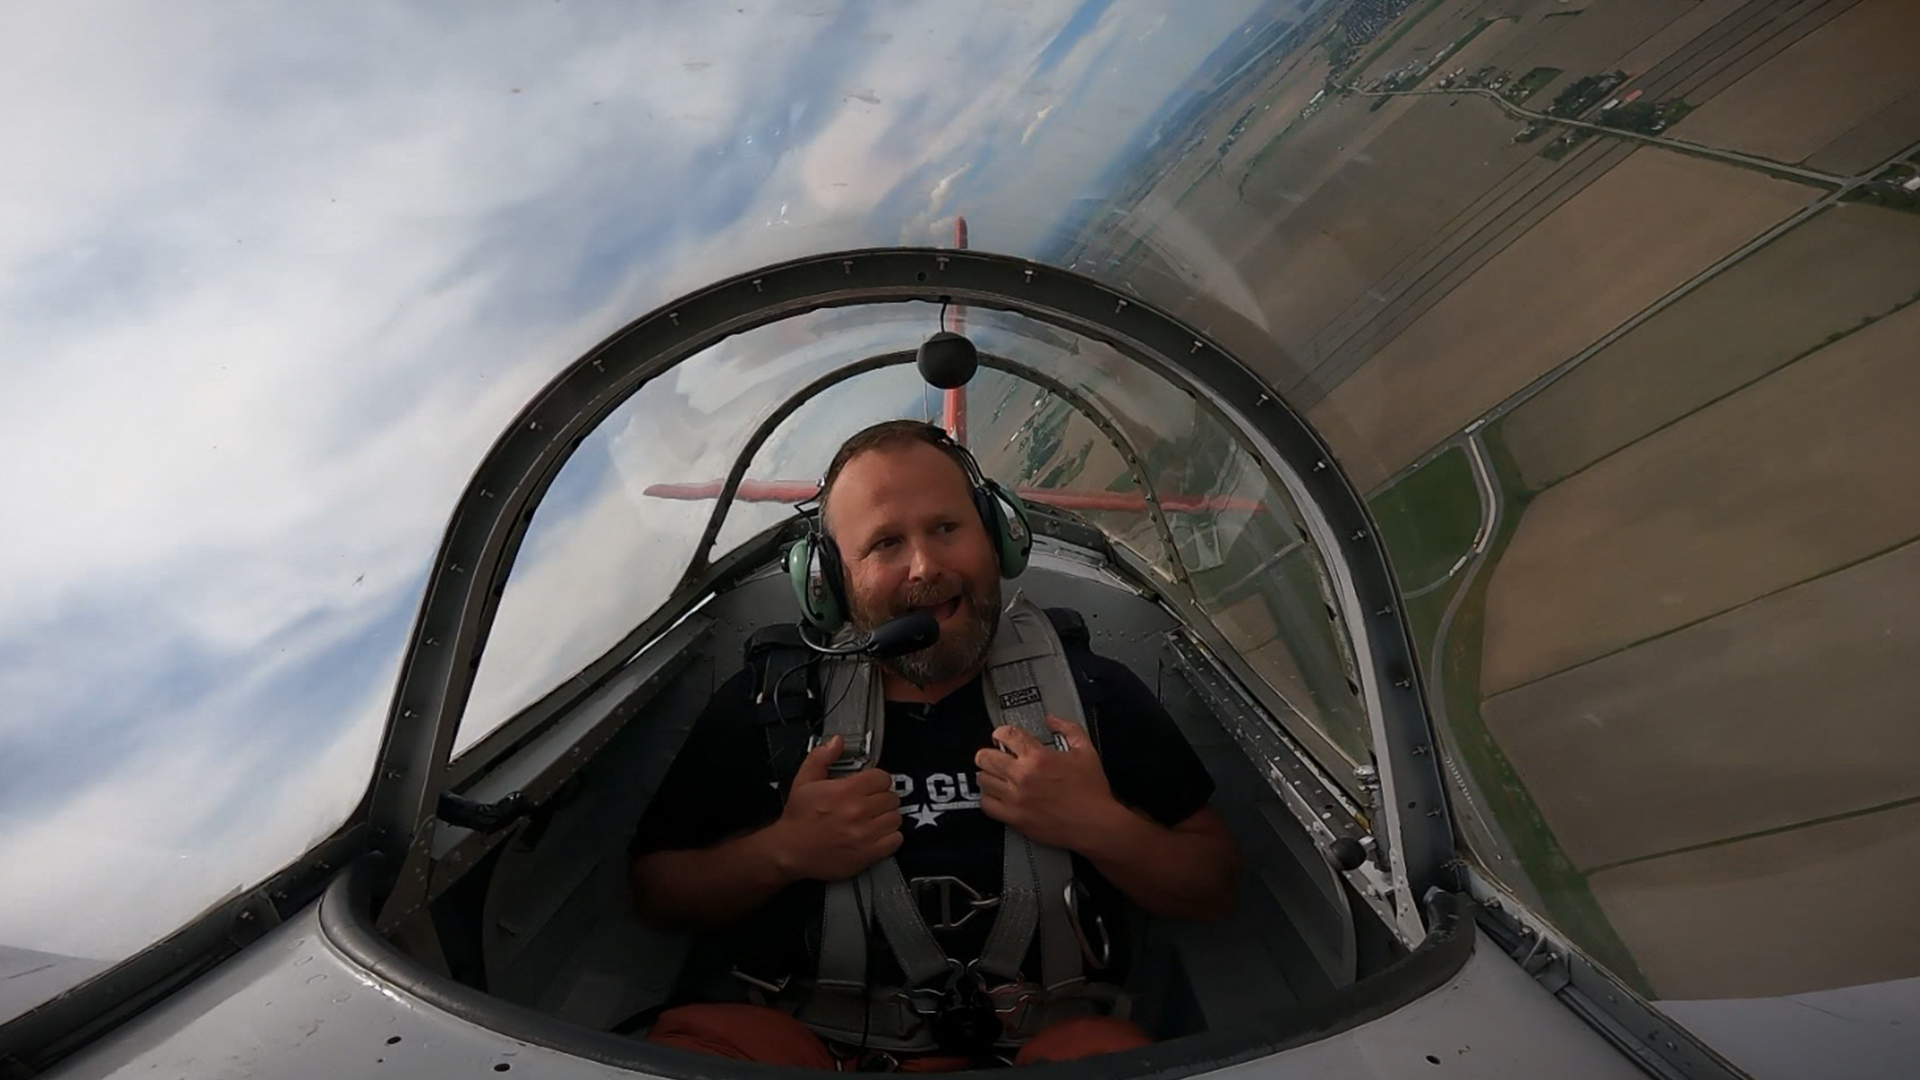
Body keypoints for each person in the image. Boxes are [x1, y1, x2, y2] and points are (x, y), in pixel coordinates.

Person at [628, 419, 1240, 1070]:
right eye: (886, 543)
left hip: (1039, 1045)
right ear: (828, 581)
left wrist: (1101, 827)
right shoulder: (772, 703)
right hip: (817, 1044)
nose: (926, 566)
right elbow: (657, 894)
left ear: (998, 536)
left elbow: (1216, 888)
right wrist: (784, 851)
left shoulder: (1089, 692)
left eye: (947, 528)